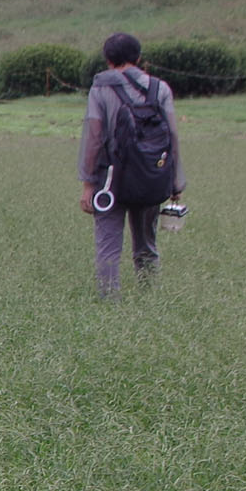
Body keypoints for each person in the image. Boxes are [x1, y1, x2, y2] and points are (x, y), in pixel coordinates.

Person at [77, 32, 182, 296]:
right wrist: (175, 182)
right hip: (151, 175)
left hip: (110, 180)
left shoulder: (101, 89)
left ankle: (109, 301)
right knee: (147, 244)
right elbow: (172, 137)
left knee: (108, 246)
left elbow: (93, 137)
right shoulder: (160, 89)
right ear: (138, 58)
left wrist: (88, 184)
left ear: (107, 59)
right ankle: (149, 297)